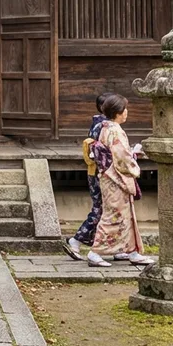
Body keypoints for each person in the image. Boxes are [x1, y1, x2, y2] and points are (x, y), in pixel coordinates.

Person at [87, 94, 154, 268]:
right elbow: (122, 158)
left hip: (110, 176)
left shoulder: (105, 127)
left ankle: (132, 251)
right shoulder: (115, 131)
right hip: (115, 179)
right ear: (117, 112)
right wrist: (134, 163)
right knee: (113, 216)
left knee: (126, 215)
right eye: (124, 109)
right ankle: (95, 252)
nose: (126, 112)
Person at [63, 92, 114, 262]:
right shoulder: (103, 126)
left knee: (105, 209)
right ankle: (76, 240)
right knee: (101, 209)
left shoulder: (100, 124)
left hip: (98, 171)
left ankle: (117, 247)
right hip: (101, 172)